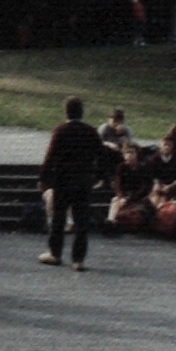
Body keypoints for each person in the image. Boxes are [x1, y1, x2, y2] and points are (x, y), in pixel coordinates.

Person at [38, 96, 107, 271]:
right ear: (82, 112)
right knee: (81, 221)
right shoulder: (91, 131)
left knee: (59, 218)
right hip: (83, 180)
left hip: (63, 179)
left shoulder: (60, 131)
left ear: (66, 111)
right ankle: (78, 259)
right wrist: (100, 175)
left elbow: (50, 156)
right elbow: (102, 155)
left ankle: (55, 253)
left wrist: (44, 179)